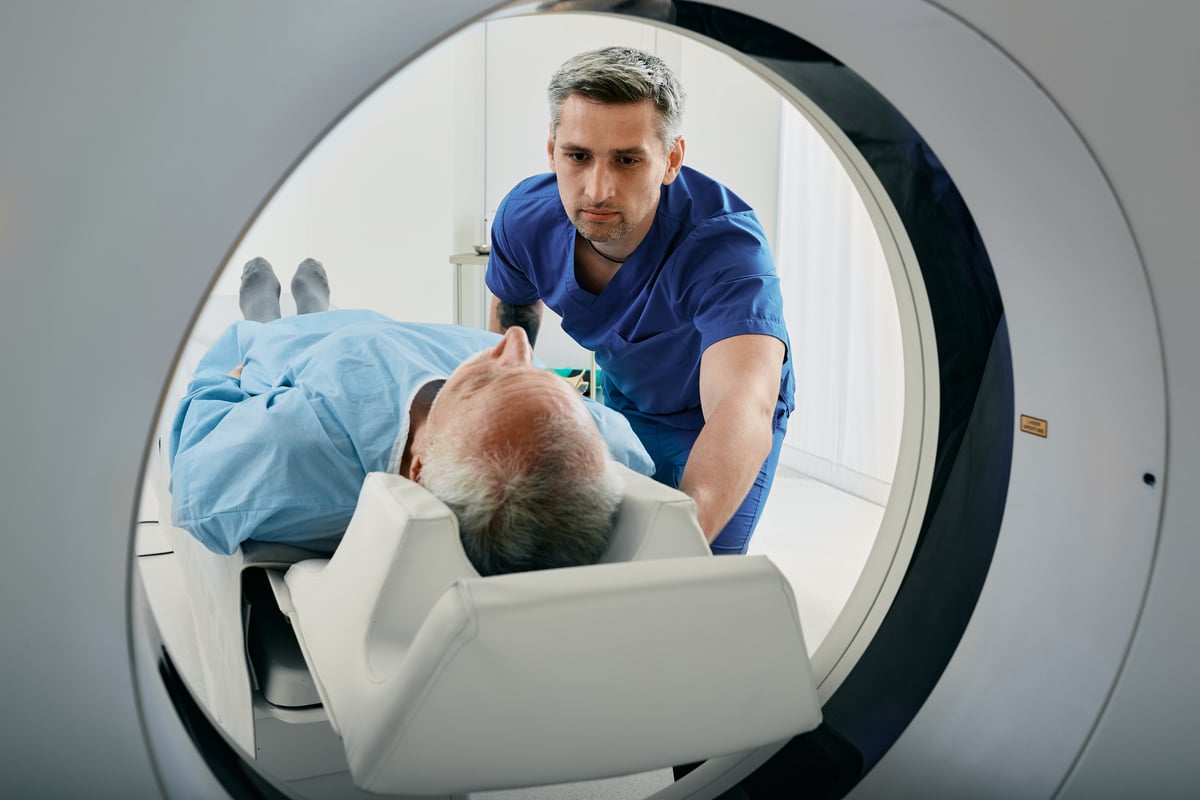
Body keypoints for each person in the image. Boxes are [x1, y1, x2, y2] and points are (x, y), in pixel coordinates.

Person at [486, 46, 794, 554]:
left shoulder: (726, 249)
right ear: (551, 150)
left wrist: (673, 554)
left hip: (714, 419)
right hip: (628, 399)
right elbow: (511, 324)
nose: (598, 189)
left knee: (690, 565)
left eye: (628, 160)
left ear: (670, 160)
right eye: (577, 156)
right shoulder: (525, 218)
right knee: (587, 544)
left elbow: (743, 406)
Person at [168, 257, 655, 576]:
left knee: (268, 337)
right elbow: (629, 451)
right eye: (536, 375)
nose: (516, 341)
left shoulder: (300, 450)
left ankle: (263, 317)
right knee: (341, 317)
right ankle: (319, 308)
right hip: (393, 335)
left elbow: (195, 473)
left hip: (297, 361)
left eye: (486, 382)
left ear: (418, 468)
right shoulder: (606, 446)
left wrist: (226, 381)